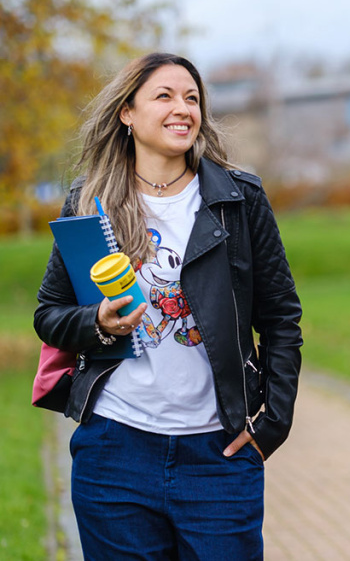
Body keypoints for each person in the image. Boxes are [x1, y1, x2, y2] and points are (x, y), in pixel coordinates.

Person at [34, 53, 303, 560]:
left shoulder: (238, 199)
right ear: (127, 114)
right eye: (165, 96)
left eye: (193, 97)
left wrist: (273, 424)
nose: (183, 108)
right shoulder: (90, 202)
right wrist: (98, 322)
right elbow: (49, 315)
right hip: (114, 450)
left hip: (218, 455)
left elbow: (281, 318)